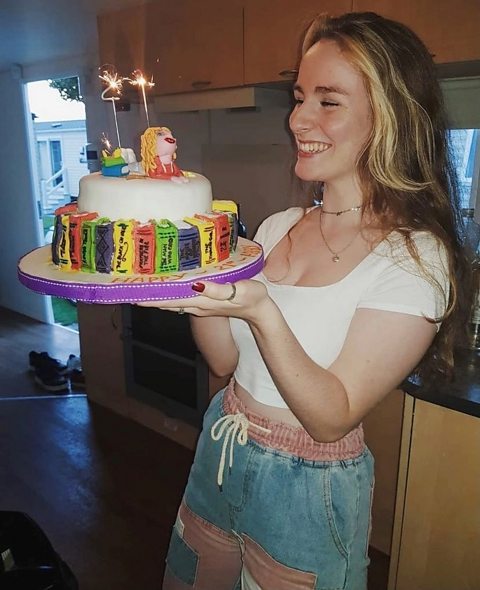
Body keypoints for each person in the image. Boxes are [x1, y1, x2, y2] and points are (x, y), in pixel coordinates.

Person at [140, 11, 472, 589]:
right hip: (222, 448)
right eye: (298, 97)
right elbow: (224, 362)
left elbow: (330, 416)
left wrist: (259, 309)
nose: (298, 118)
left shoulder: (416, 258)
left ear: (389, 117)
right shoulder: (279, 226)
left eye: (328, 100)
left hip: (307, 489)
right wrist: (199, 292)